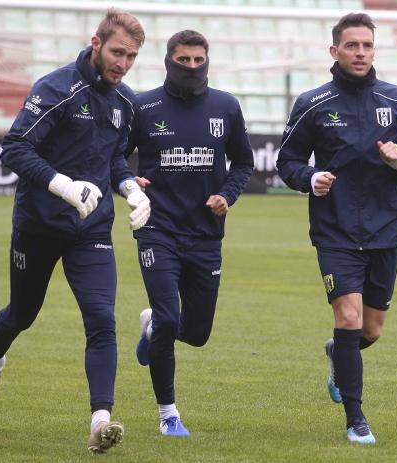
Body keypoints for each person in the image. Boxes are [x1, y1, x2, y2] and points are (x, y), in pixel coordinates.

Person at [0, 8, 151, 454]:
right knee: (21, 315)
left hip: (92, 229)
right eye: (118, 52)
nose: (123, 63)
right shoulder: (57, 88)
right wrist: (63, 185)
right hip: (39, 225)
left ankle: (101, 422)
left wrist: (129, 189)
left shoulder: (125, 102)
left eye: (132, 57)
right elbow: (16, 148)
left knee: (102, 319)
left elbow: (116, 158)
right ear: (96, 43)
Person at [276, 12, 397, 445]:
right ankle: (355, 419)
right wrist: (310, 178)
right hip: (336, 230)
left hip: (386, 229)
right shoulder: (313, 104)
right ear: (335, 51)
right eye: (352, 46)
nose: (360, 53)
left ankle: (337, 355)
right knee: (347, 315)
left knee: (371, 329)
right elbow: (286, 161)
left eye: (367, 46)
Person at [126, 30, 254, 437]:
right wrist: (129, 183)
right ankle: (168, 416)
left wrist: (227, 196)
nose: (193, 67)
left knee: (196, 333)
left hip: (205, 234)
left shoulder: (226, 107)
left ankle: (151, 326)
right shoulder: (143, 106)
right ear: (169, 61)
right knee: (168, 319)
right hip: (157, 229)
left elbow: (244, 163)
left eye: (200, 60)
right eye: (185, 60)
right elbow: (114, 156)